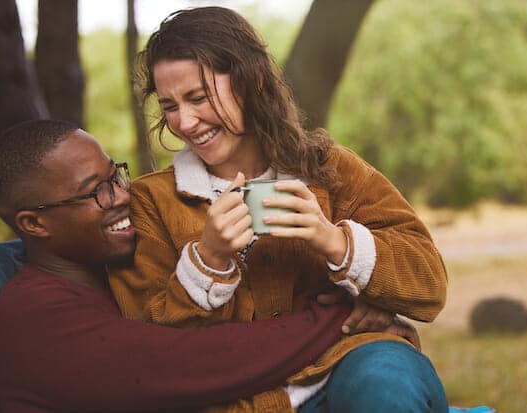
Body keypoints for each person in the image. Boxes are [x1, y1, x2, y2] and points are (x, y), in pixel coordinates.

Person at [108, 6, 449, 412]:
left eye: (198, 98)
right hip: (235, 398)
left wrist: (336, 243)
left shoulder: (331, 170)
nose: (184, 121)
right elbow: (146, 343)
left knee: (384, 379)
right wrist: (209, 259)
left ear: (251, 81)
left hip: (348, 365)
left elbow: (429, 286)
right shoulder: (152, 201)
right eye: (169, 106)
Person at [0, 119, 422, 412]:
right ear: (34, 223)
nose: (122, 196)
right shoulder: (31, 318)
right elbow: (196, 362)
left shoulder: (106, 280)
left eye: (116, 175)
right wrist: (344, 314)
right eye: (96, 191)